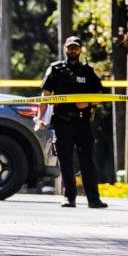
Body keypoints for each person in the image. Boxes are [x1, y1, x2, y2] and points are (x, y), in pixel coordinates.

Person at [37, 35, 108, 209]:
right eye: (70, 47)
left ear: (80, 50)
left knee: (87, 162)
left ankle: (94, 199)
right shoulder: (56, 69)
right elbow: (45, 96)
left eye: (75, 47)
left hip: (82, 122)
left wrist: (88, 103)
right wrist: (40, 118)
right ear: (65, 49)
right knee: (66, 161)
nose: (72, 50)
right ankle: (69, 198)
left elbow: (100, 95)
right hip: (62, 122)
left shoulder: (88, 71)